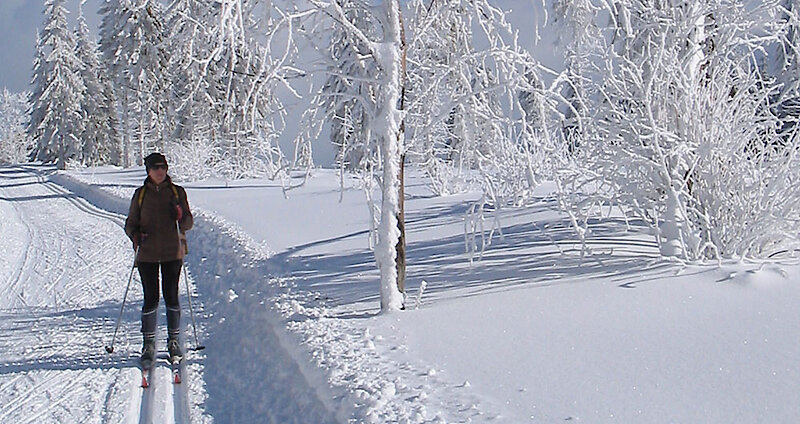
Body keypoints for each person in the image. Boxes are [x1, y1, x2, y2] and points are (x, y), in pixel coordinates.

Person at [125, 152, 194, 367]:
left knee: (172, 296)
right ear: (148, 171)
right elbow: (130, 223)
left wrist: (181, 216)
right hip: (147, 254)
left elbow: (189, 222)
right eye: (155, 168)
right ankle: (148, 344)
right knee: (151, 298)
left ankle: (173, 341)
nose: (160, 172)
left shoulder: (177, 192)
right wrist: (135, 235)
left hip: (172, 253)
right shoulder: (141, 194)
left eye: (162, 168)